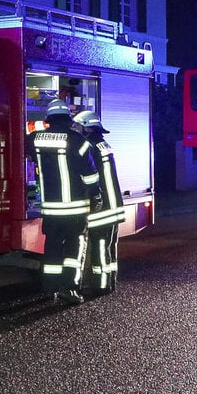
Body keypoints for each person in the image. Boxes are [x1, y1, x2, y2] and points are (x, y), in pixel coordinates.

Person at [26, 99, 100, 305]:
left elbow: (26, 153)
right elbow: (90, 175)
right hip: (75, 208)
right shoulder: (79, 141)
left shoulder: (34, 139)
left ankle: (50, 289)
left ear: (49, 118)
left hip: (50, 208)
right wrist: (96, 195)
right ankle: (70, 288)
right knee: (74, 248)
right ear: (68, 118)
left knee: (53, 247)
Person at [73, 110, 124, 295]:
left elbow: (89, 175)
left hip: (102, 207)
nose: (75, 130)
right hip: (114, 204)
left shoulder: (89, 146)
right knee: (110, 246)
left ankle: (100, 285)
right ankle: (110, 281)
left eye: (78, 126)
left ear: (87, 128)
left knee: (100, 245)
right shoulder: (104, 144)